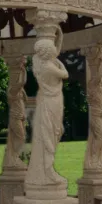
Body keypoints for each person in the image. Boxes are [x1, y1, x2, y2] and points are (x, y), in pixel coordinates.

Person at [27, 29, 69, 185]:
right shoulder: (50, 67)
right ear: (48, 54)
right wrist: (60, 63)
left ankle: (46, 168)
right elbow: (65, 74)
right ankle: (47, 170)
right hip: (52, 102)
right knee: (51, 134)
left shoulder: (37, 61)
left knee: (52, 132)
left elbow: (54, 52)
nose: (55, 52)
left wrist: (59, 37)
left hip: (47, 100)